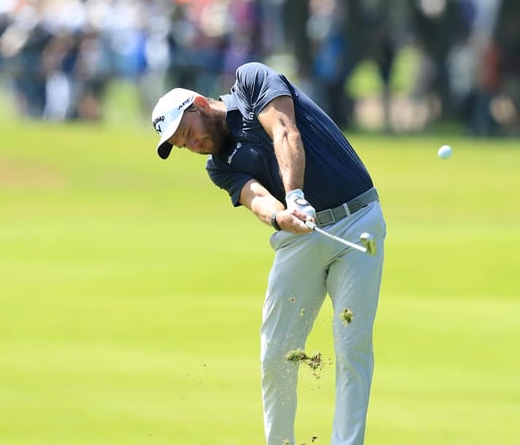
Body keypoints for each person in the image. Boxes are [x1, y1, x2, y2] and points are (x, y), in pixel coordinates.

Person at [151, 62, 386, 445]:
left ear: (197, 104)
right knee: (277, 353)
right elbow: (255, 198)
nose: (192, 145)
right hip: (300, 238)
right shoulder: (219, 167)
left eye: (187, 133)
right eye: (183, 146)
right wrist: (281, 216)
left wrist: (294, 195)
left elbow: (284, 130)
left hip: (358, 219)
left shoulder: (251, 82)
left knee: (352, 345)